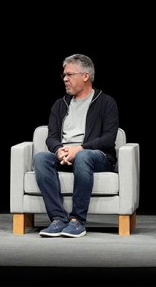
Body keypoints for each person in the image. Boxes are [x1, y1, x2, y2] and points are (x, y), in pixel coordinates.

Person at [34, 53, 119, 238]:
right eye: (64, 75)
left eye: (70, 75)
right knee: (40, 158)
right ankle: (58, 219)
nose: (65, 79)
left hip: (97, 156)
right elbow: (52, 137)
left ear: (85, 76)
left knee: (83, 156)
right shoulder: (60, 104)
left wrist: (79, 149)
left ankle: (77, 220)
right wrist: (59, 150)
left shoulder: (106, 102)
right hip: (66, 154)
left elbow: (109, 139)